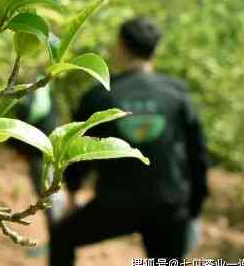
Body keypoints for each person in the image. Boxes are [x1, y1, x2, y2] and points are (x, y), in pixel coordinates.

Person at [49, 18, 209, 265]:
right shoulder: (178, 94)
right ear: (156, 50)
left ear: (120, 47)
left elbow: (77, 149)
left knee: (62, 238)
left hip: (115, 205)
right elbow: (198, 154)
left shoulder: (100, 94)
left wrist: (72, 190)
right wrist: (194, 211)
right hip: (168, 206)